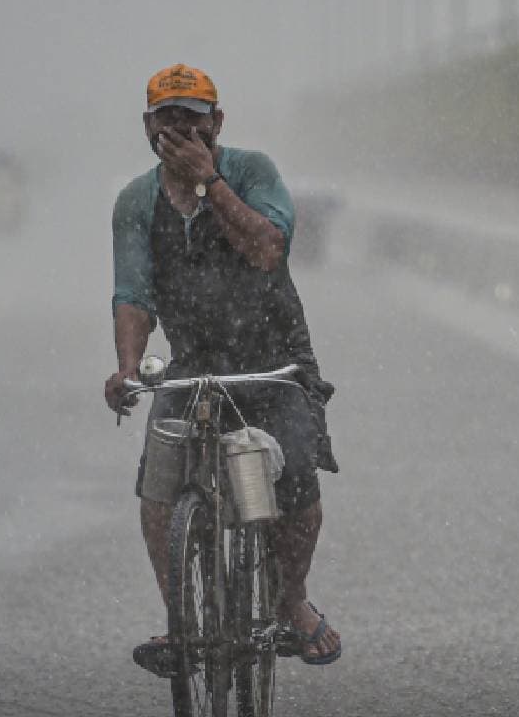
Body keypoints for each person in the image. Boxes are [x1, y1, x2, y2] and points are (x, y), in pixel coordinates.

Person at [104, 63, 342, 675]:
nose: (181, 127)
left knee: (295, 479)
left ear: (218, 122)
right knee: (159, 481)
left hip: (272, 359)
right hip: (194, 363)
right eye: (168, 117)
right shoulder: (136, 200)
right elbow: (133, 293)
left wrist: (210, 185)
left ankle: (292, 603)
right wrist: (128, 367)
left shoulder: (252, 171)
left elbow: (268, 249)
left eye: (194, 116)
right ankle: (181, 621)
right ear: (148, 126)